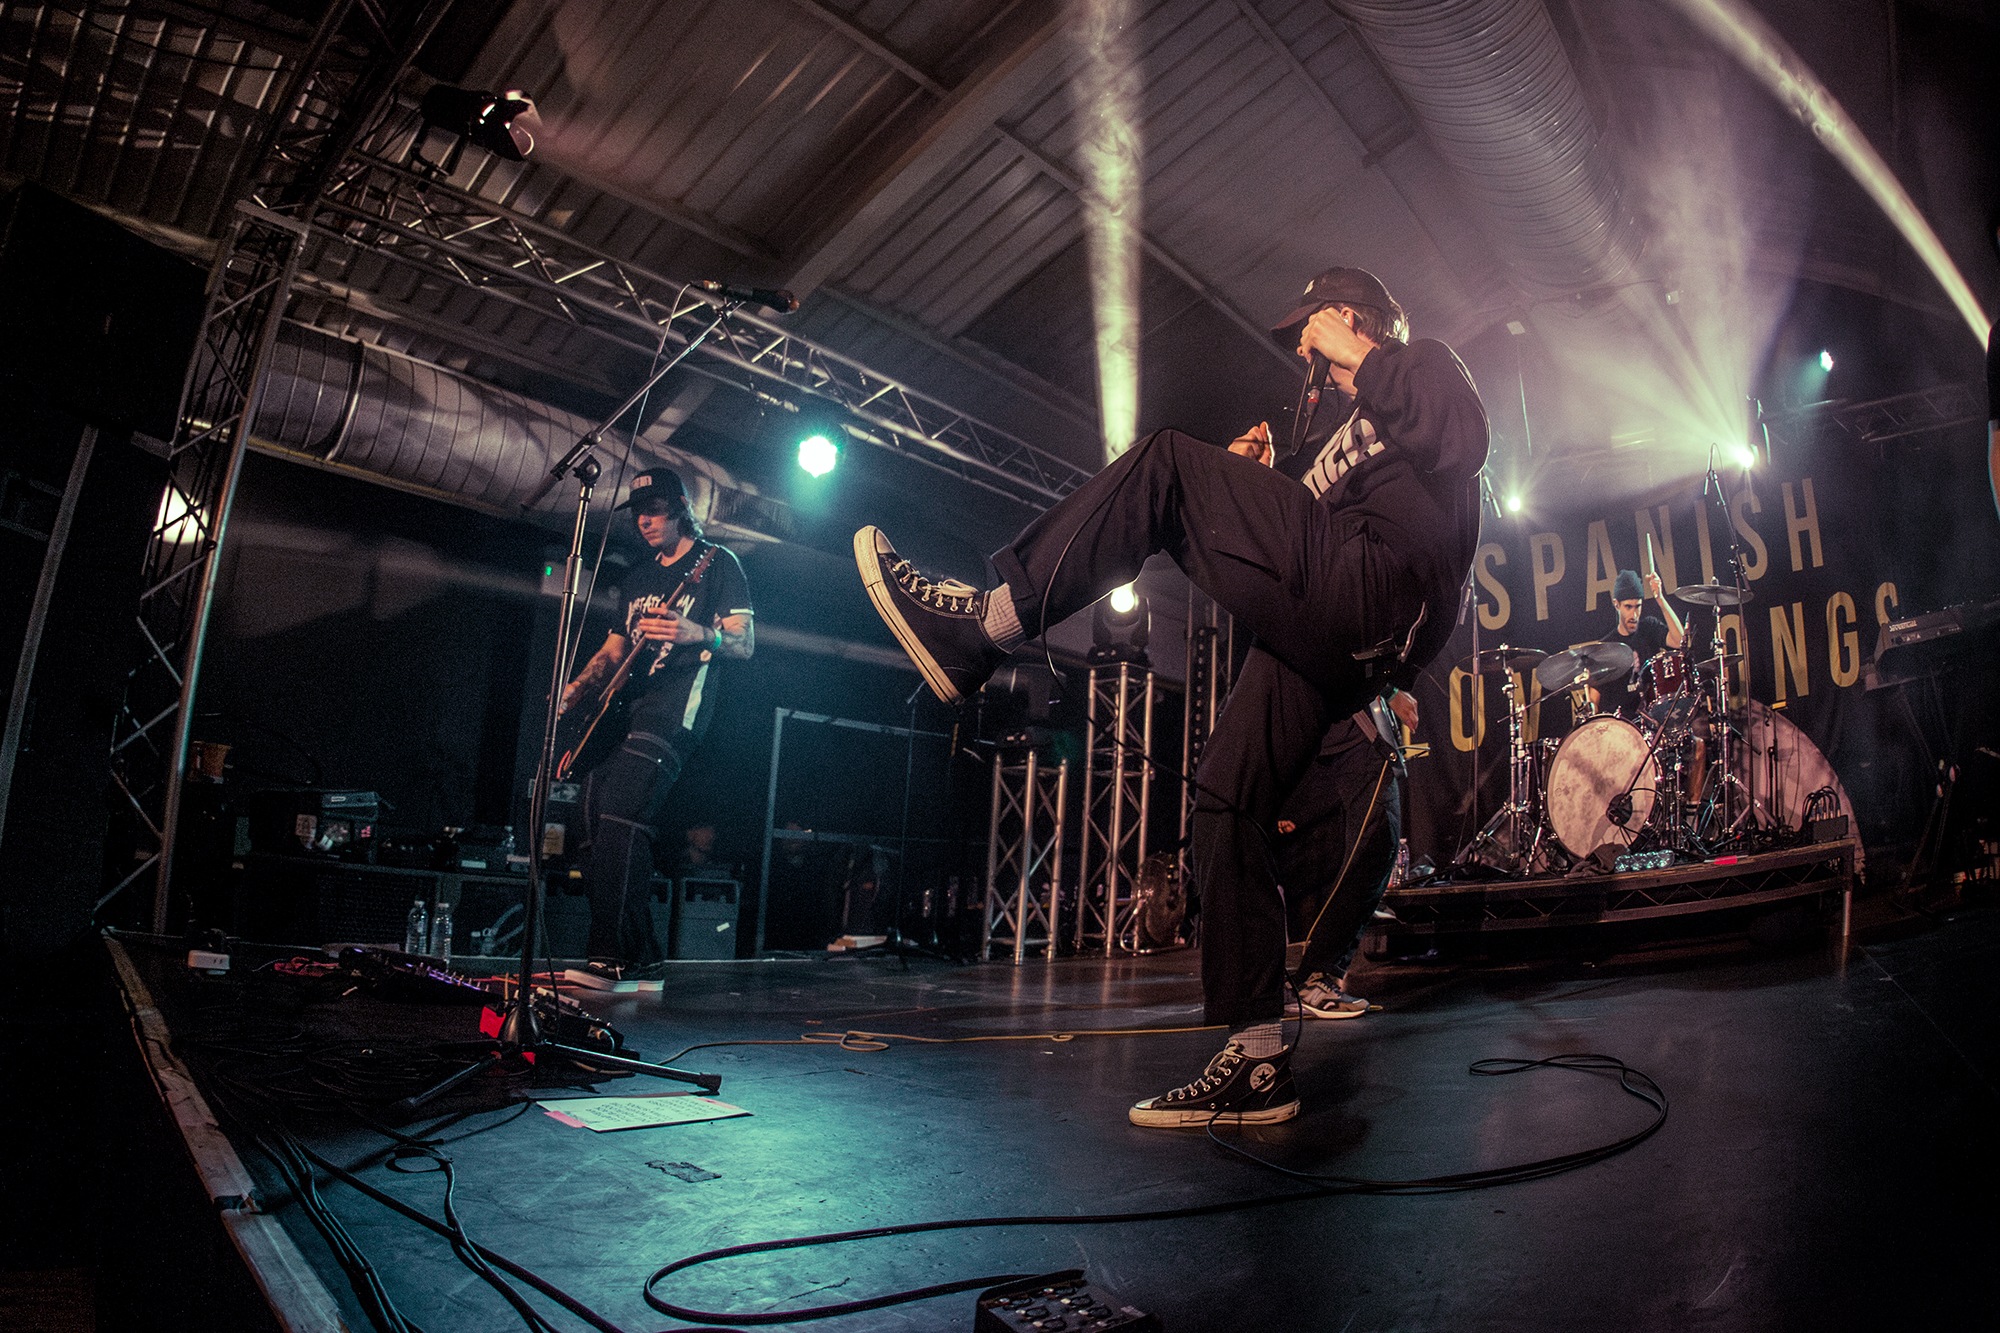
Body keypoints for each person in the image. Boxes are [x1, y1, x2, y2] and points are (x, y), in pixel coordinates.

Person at [853, 267, 1489, 1126]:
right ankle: (1255, 1059)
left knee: (1164, 464)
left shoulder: (1422, 365)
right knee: (1227, 793)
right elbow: (1294, 546)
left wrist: (1361, 358)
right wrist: (1261, 482)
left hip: (1373, 591)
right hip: (1323, 622)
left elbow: (1462, 443)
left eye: (1313, 327)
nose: (1304, 349)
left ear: (1350, 316)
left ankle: (982, 627)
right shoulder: (1336, 435)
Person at [560, 467, 753, 984]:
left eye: (656, 510)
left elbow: (744, 642)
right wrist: (576, 689)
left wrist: (699, 633)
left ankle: (614, 956)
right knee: (590, 817)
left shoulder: (716, 563)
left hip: (675, 707)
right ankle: (641, 954)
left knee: (622, 814)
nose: (645, 521)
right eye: (638, 513)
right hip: (623, 710)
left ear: (681, 509)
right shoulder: (637, 578)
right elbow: (613, 650)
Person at [1278, 688, 1417, 1021]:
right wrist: (1389, 691)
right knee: (1375, 844)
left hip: (1339, 727)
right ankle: (1316, 978)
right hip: (1353, 728)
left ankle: (1312, 975)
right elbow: (1345, 656)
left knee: (1361, 847)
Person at [1592, 568, 1685, 718]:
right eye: (1628, 607)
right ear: (1616, 604)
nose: (1634, 614)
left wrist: (1660, 599)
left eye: (1638, 606)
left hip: (1651, 717)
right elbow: (1594, 697)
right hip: (1621, 722)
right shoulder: (1606, 645)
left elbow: (1680, 641)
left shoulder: (1649, 627)